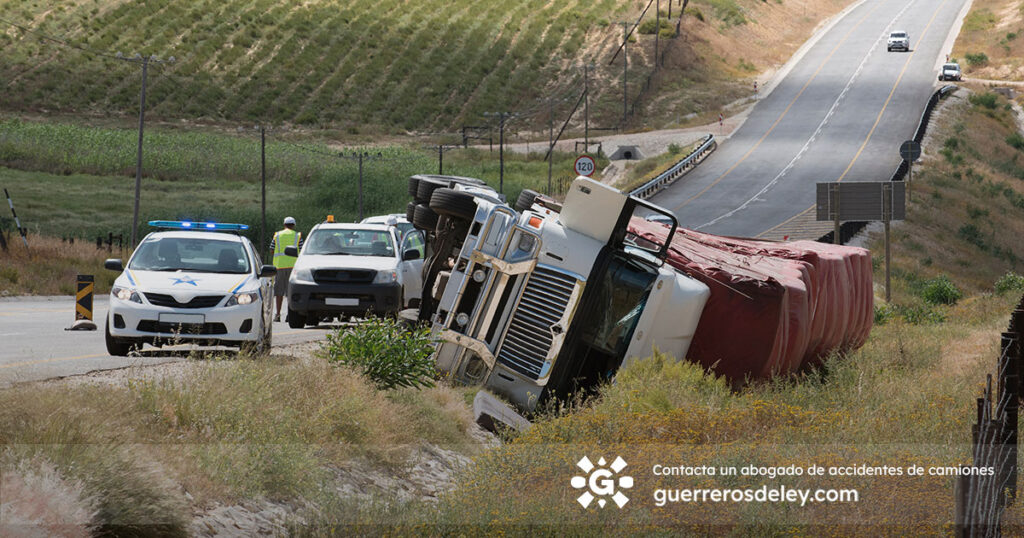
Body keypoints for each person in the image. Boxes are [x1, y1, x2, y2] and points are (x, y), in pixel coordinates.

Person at [269, 216, 302, 322]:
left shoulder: (277, 235)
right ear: (294, 225)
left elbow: (271, 250)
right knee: (290, 292)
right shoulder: (298, 236)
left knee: (279, 292)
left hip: (279, 267)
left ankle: (278, 315)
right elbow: (301, 250)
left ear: (284, 225)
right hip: (293, 267)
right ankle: (289, 315)